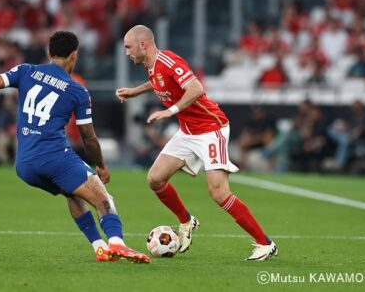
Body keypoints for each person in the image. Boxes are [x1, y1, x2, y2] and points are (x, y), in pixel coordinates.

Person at [0, 31, 150, 264]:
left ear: (49, 53)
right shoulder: (77, 90)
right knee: (103, 198)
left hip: (24, 164)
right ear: (74, 56)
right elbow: (88, 137)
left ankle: (99, 247)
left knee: (72, 193)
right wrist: (101, 165)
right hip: (54, 157)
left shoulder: (26, 71)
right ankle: (117, 244)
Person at [116, 25, 277, 261]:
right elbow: (159, 82)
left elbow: (196, 87)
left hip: (211, 128)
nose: (126, 52)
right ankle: (186, 221)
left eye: (128, 47)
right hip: (188, 131)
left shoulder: (168, 60)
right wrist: (134, 91)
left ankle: (265, 244)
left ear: (143, 45)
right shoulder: (151, 66)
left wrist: (171, 110)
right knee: (155, 178)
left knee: (218, 192)